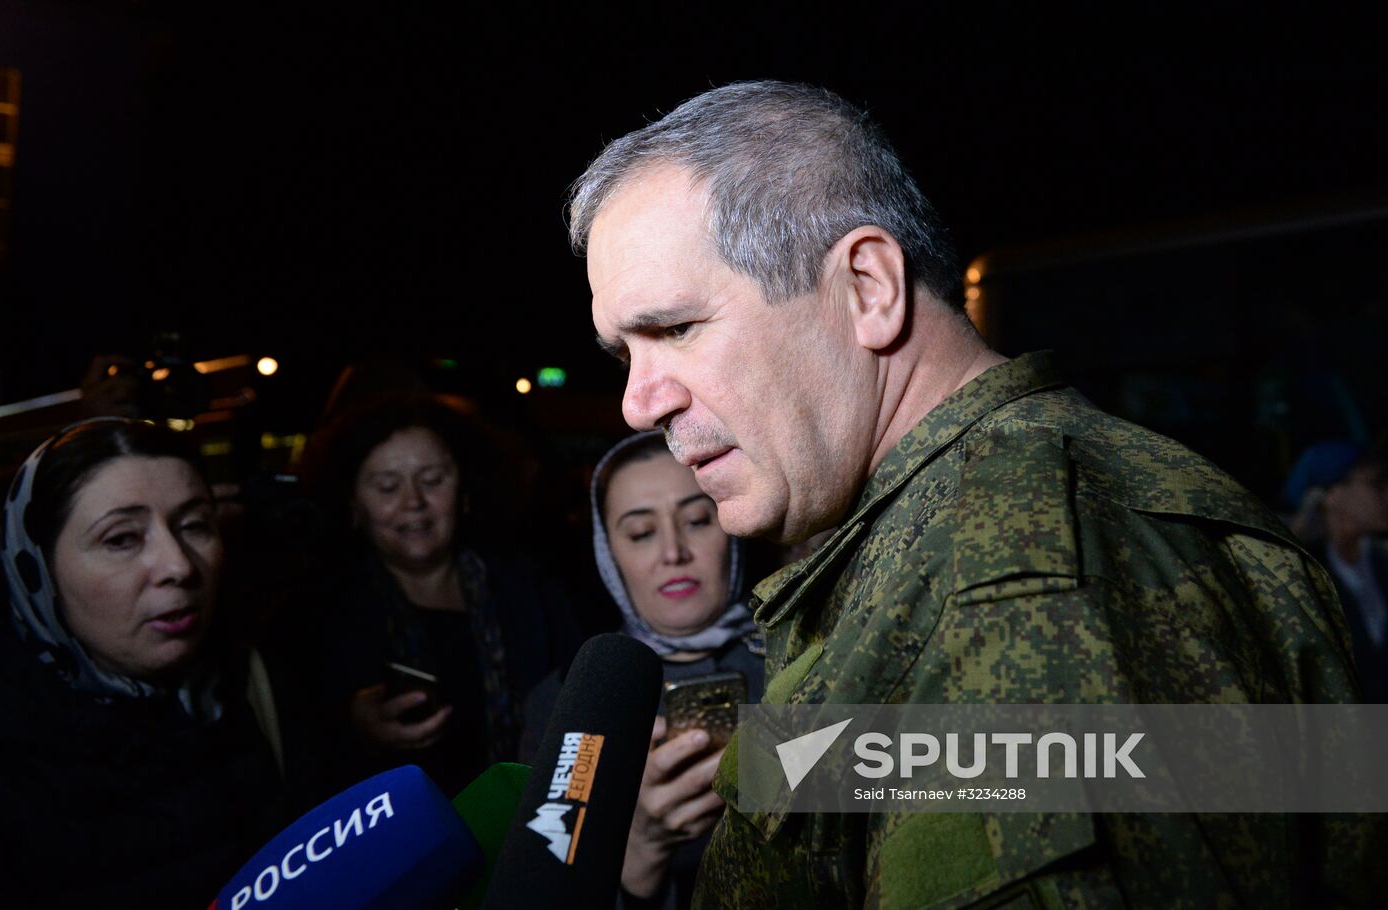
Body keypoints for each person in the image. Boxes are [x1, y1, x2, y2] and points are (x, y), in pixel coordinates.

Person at [568, 81, 1377, 908]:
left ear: (869, 287)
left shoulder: (1005, 585)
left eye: (674, 329)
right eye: (623, 353)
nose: (639, 403)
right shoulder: (988, 523)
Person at [0, 418, 293, 908]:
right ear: (38, 571)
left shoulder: (252, 684)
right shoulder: (6, 758)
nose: (179, 566)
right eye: (121, 539)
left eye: (194, 525)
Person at [521, 431, 765, 909]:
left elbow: (938, 774)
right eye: (641, 533)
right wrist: (640, 854)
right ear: (609, 553)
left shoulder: (808, 653)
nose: (673, 552)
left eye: (697, 519)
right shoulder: (569, 700)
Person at [302, 394, 581, 797]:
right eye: (387, 486)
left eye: (432, 480)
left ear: (465, 490)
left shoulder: (530, 592)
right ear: (352, 504)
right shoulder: (318, 618)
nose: (413, 502)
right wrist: (354, 729)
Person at [1285, 441, 1388, 701]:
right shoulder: (1305, 577)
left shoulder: (1380, 561)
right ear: (1331, 494)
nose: (1385, 494)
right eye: (1375, 484)